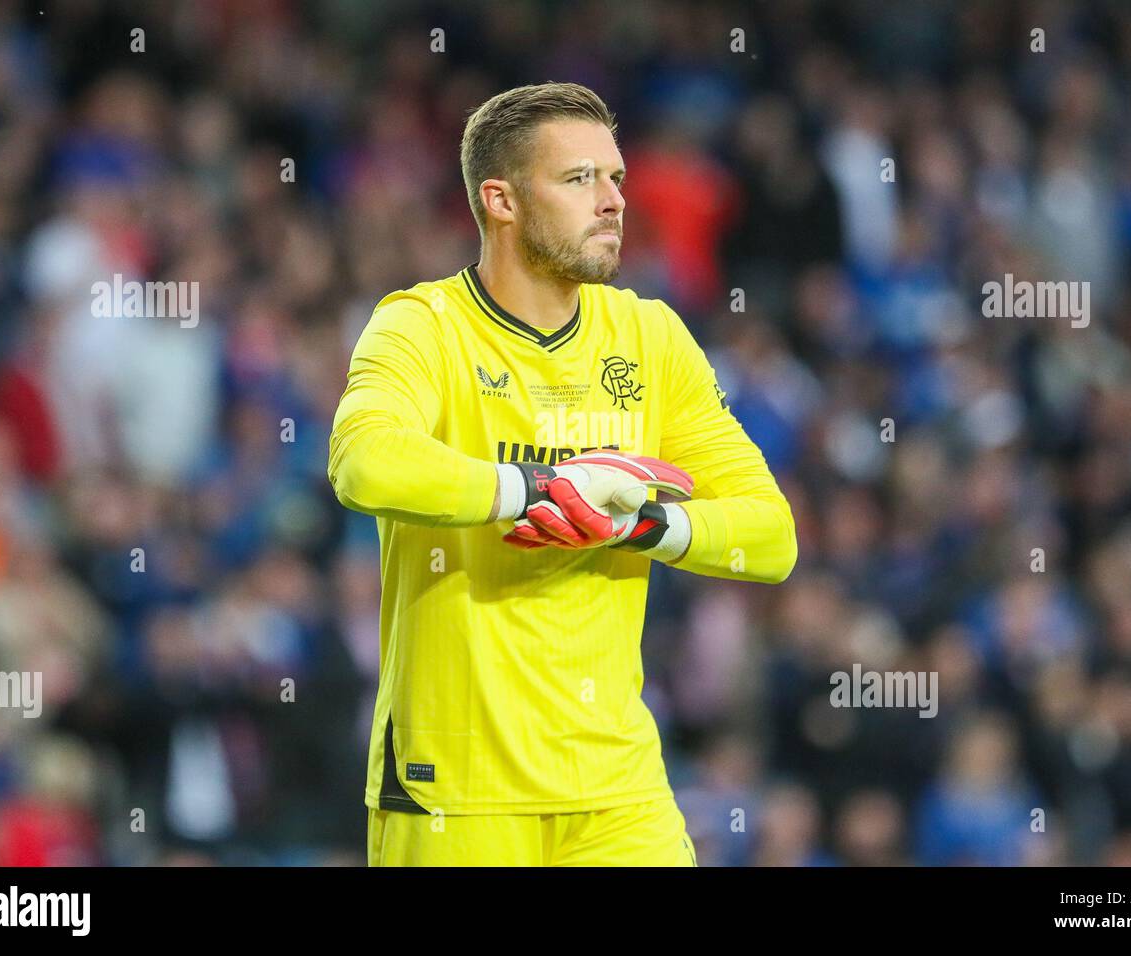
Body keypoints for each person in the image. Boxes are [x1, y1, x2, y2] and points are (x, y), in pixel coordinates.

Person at [328, 81, 797, 866]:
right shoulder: (422, 326)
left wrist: (640, 523)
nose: (613, 200)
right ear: (501, 200)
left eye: (615, 178)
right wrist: (540, 490)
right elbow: (364, 462)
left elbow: (772, 536)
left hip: (617, 789)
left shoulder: (649, 336)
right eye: (580, 179)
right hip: (455, 790)